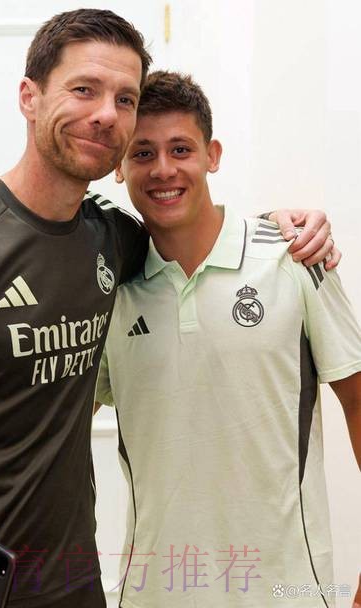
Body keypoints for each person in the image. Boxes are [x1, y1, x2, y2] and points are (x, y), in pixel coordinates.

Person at [0, 9, 337, 608]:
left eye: (124, 98)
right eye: (84, 89)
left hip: (76, 584)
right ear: (29, 97)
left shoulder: (115, 238)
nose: (107, 113)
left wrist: (278, 231)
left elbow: (195, 235)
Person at [96, 71, 361, 608]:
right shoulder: (108, 289)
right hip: (155, 594)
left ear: (212, 155)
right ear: (119, 167)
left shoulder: (294, 257)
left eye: (181, 149)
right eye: (142, 153)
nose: (163, 169)